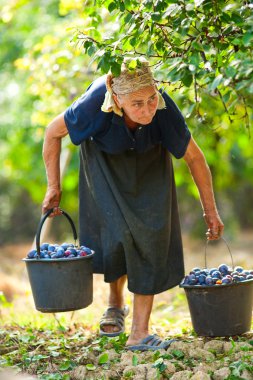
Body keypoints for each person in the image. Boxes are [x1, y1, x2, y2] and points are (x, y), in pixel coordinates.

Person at [42, 57, 224, 351]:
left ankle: (140, 332)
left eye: (151, 99)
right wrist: (53, 187)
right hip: (104, 164)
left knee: (151, 236)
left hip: (150, 167)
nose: (148, 108)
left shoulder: (162, 109)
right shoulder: (93, 105)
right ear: (116, 99)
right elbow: (53, 132)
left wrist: (211, 211)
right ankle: (115, 304)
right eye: (137, 104)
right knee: (115, 234)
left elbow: (195, 158)